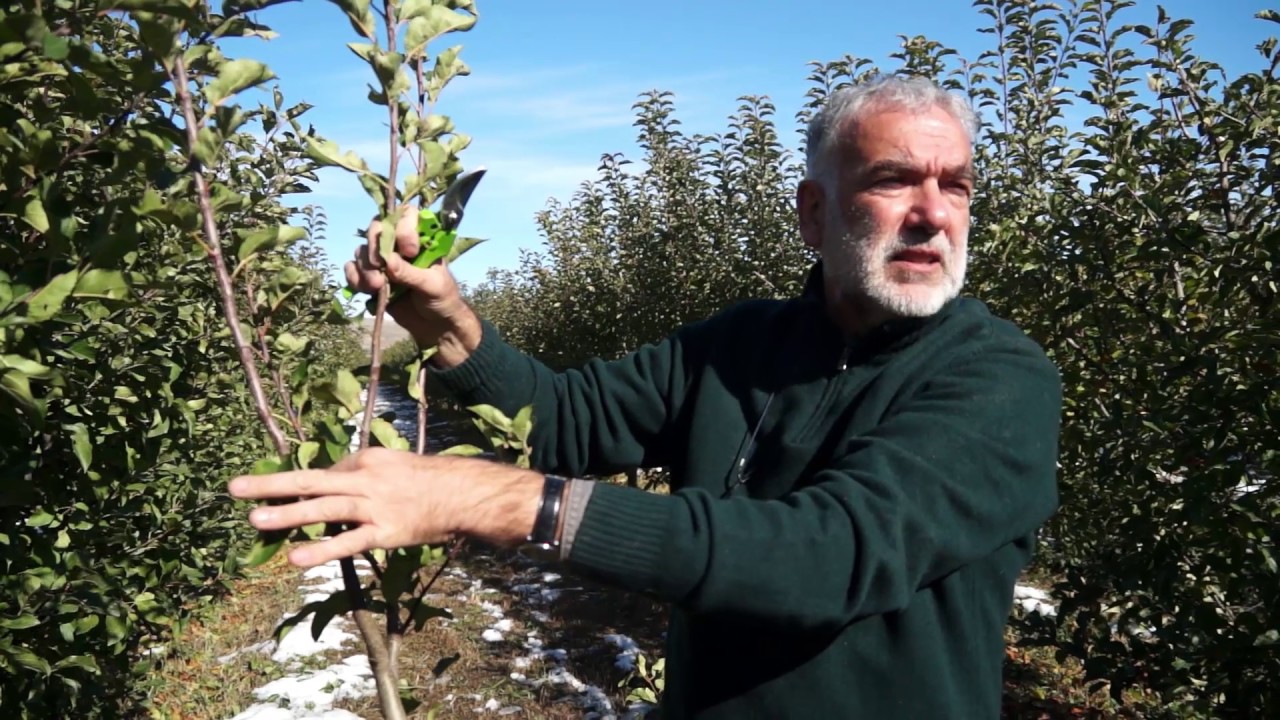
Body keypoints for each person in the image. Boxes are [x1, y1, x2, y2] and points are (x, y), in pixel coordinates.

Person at [230, 74, 1062, 719]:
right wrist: (445, 322)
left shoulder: (996, 378)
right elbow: (564, 420)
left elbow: (830, 554)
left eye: (954, 186)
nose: (931, 214)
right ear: (814, 213)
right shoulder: (739, 346)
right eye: (893, 180)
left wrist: (501, 500)